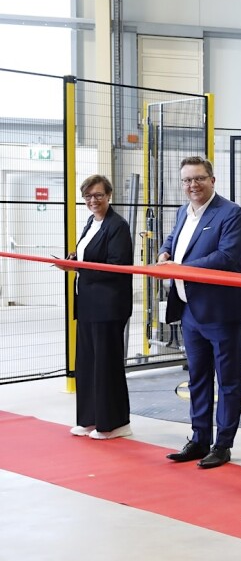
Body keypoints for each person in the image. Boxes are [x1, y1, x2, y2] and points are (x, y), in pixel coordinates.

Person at [158, 156, 241, 470]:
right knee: (197, 379)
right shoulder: (184, 211)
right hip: (190, 311)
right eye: (186, 180)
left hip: (222, 312)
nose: (192, 185)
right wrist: (164, 252)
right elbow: (174, 239)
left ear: (212, 180)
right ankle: (199, 439)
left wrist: (179, 268)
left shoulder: (231, 214)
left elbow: (226, 256)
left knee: (227, 382)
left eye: (198, 178)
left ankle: (222, 444)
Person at [69, 175, 134, 440]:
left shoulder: (117, 225)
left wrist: (79, 266)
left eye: (98, 195)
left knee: (106, 364)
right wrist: (74, 259)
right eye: (88, 196)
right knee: (87, 363)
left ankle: (115, 423)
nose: (93, 201)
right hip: (87, 304)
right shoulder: (91, 223)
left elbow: (117, 266)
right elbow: (88, 255)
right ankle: (89, 419)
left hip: (108, 306)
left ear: (109, 195)